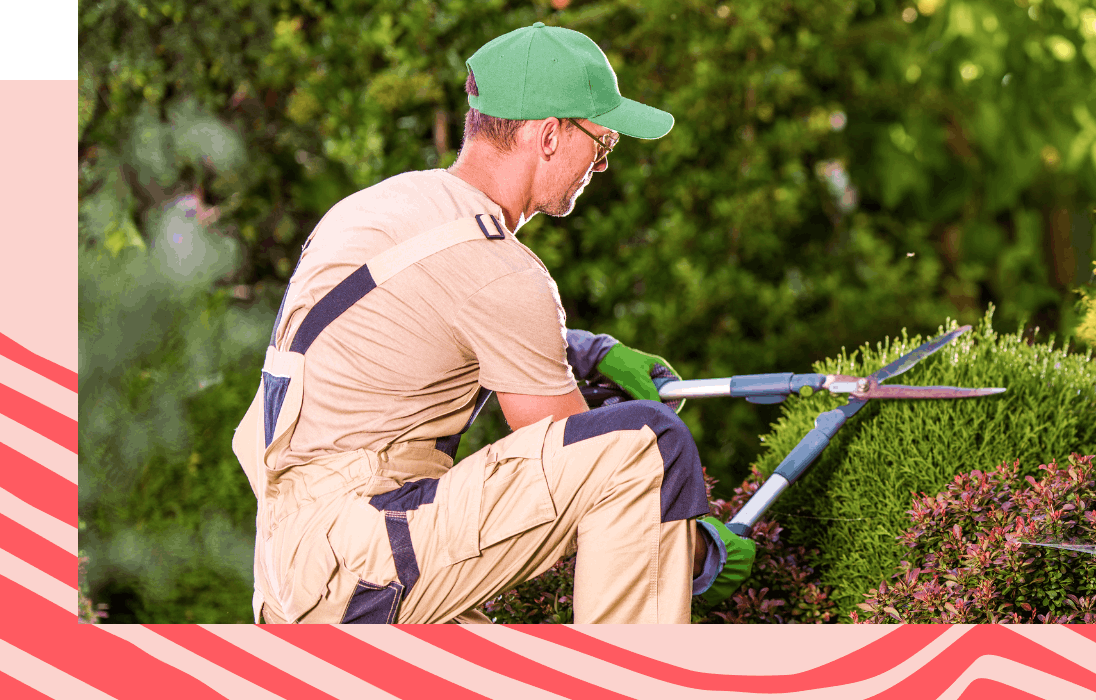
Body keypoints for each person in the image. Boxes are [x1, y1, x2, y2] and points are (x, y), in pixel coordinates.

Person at [230, 23, 754, 624]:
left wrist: (589, 353)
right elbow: (578, 466)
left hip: (296, 567)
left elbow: (426, 328)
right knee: (646, 447)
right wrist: (695, 551)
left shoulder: (385, 209)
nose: (601, 165)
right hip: (361, 560)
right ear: (551, 135)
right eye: (602, 143)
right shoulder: (500, 270)